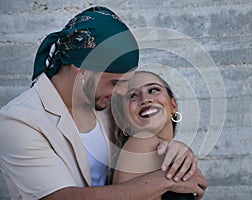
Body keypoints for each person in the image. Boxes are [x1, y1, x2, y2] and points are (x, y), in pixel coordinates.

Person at [0, 6, 207, 200]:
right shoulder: (18, 122)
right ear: (81, 70)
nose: (122, 93)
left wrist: (178, 152)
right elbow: (61, 197)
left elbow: (144, 141)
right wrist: (165, 181)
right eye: (116, 82)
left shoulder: (106, 106)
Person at [112, 71, 203, 199]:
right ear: (125, 119)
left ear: (173, 105)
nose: (145, 99)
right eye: (132, 95)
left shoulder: (165, 150)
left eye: (153, 90)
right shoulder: (142, 142)